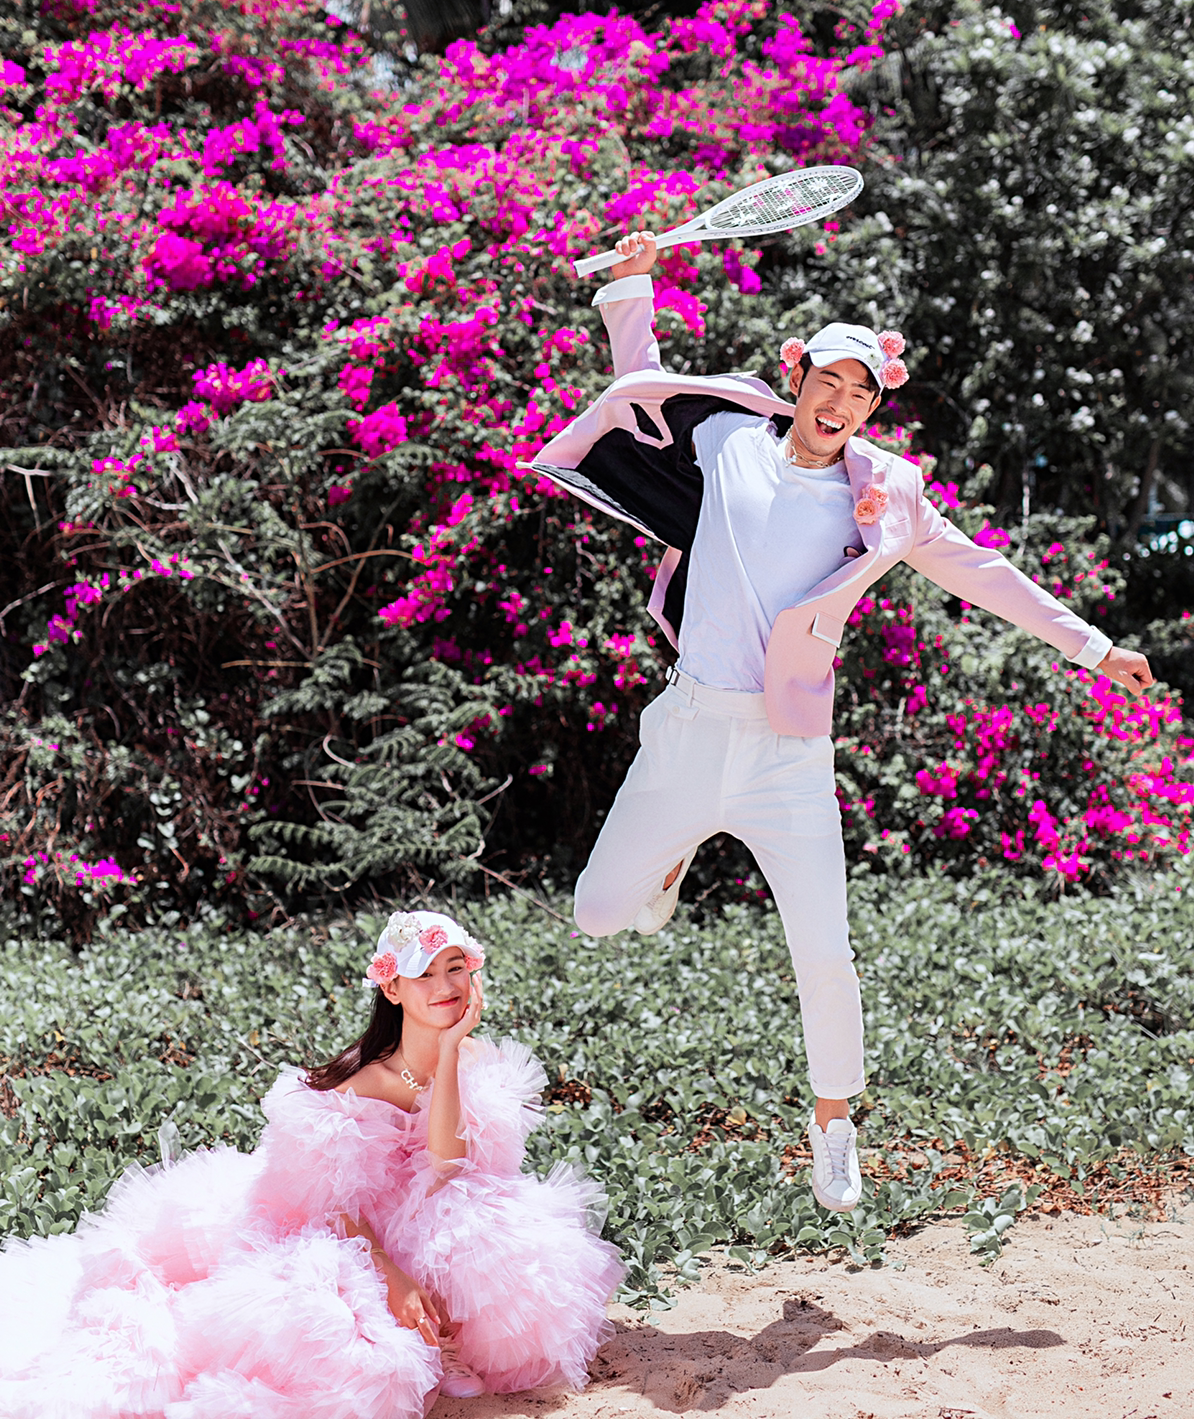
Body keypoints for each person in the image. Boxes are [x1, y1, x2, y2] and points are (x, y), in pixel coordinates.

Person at [532, 230, 1154, 1215]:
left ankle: (833, 1126)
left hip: (789, 749)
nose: (843, 403)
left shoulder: (886, 493)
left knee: (824, 948)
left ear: (872, 404)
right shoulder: (726, 436)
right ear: (798, 376)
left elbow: (982, 573)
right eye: (830, 380)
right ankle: (669, 863)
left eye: (863, 392)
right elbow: (639, 389)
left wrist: (1092, 646)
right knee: (599, 913)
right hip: (689, 726)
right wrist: (631, 284)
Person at [0, 909, 623, 1418]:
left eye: (455, 968)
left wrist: (453, 1051)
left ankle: (450, 1337)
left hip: (432, 1215)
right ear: (392, 988)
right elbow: (331, 1208)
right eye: (424, 973)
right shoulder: (357, 1082)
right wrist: (391, 1276)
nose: (445, 986)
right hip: (346, 1228)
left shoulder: (475, 1056)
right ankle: (422, 1342)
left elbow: (449, 1162)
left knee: (479, 1212)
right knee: (348, 1346)